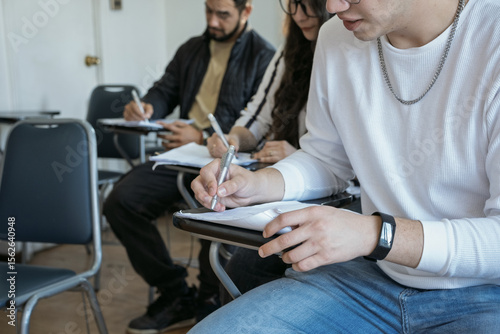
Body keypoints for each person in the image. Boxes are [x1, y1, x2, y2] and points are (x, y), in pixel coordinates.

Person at [190, 0, 500, 332]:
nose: (332, 5)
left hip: (483, 291)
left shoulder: (489, 35)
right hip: (372, 276)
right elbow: (325, 158)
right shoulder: (337, 36)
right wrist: (259, 183)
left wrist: (374, 234)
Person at [102, 0, 275, 333]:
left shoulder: (264, 57)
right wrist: (148, 107)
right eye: (209, 11)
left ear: (246, 11)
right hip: (180, 157)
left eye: (223, 14)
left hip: (227, 165)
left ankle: (209, 299)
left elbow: (256, 124)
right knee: (120, 202)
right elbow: (165, 89)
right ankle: (175, 292)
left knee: (215, 212)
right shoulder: (192, 49)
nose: (213, 20)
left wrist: (202, 135)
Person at [206, 0, 333, 304]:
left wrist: (299, 153)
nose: (300, 16)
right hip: (289, 191)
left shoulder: (350, 49)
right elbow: (257, 119)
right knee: (229, 248)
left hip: (333, 199)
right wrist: (232, 139)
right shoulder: (287, 54)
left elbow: (338, 158)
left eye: (310, 7)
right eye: (293, 6)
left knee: (245, 263)